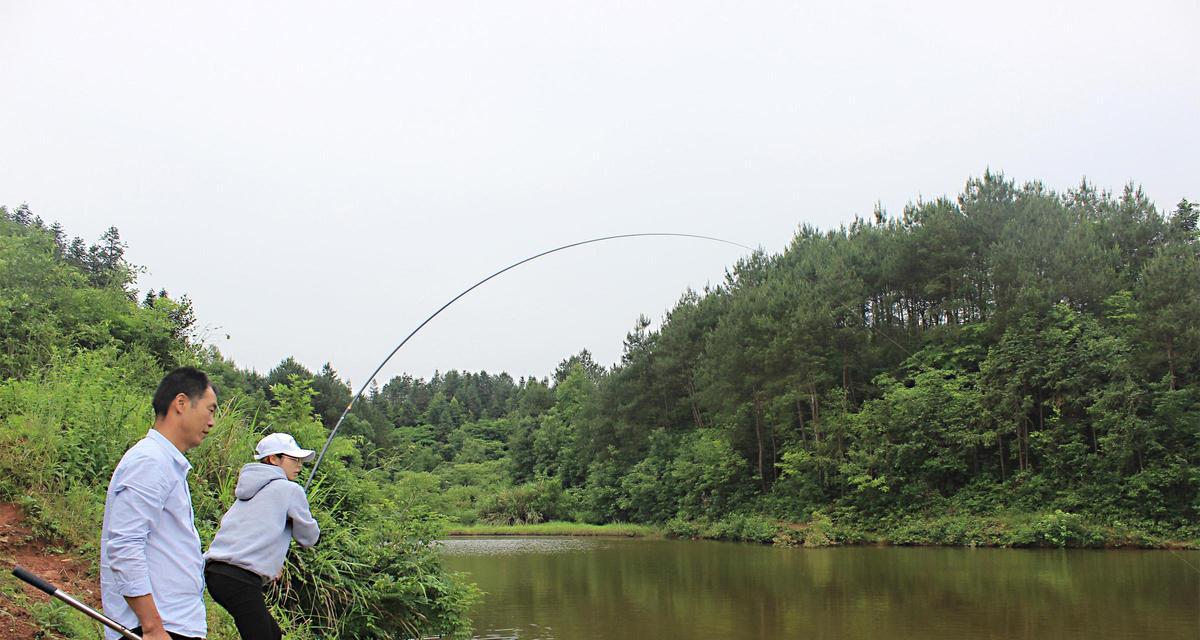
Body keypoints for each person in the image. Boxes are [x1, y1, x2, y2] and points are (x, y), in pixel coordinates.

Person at [101, 367, 217, 640]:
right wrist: (152, 626)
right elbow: (125, 546)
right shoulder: (150, 461)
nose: (212, 421)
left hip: (172, 625)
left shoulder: (166, 463)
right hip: (156, 629)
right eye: (210, 410)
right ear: (181, 403)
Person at [204, 432, 320, 640]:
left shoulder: (249, 489)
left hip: (215, 573)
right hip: (240, 578)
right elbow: (309, 538)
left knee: (273, 634)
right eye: (293, 459)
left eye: (300, 460)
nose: (299, 465)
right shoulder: (290, 490)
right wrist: (297, 521)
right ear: (273, 459)